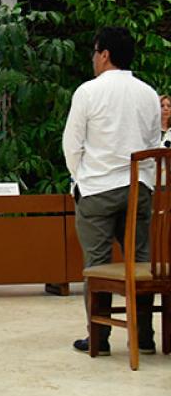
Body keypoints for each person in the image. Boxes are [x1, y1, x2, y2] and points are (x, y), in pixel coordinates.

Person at [63, 27, 161, 356]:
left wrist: (81, 178)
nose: (93, 58)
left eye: (94, 52)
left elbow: (71, 144)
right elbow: (152, 144)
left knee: (97, 263)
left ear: (104, 55)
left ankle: (99, 339)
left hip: (98, 189)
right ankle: (144, 338)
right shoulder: (148, 93)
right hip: (138, 189)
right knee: (142, 261)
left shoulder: (88, 92)